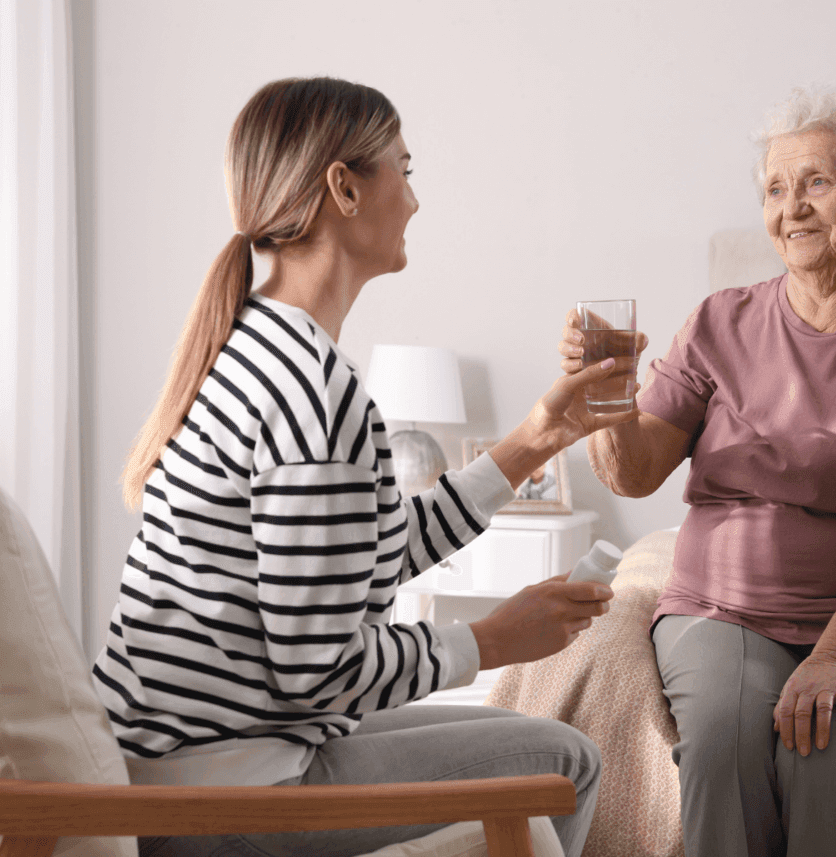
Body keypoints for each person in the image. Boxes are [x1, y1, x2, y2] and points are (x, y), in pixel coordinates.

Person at [93, 77, 635, 857]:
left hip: (188, 764)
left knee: (528, 734)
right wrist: (489, 639)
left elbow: (355, 556)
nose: (414, 201)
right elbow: (319, 672)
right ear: (344, 188)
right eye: (404, 171)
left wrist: (538, 438)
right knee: (567, 760)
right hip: (232, 793)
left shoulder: (251, 347)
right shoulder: (314, 390)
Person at [559, 84, 836, 857]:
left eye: (816, 182)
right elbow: (634, 473)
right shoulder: (719, 319)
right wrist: (605, 399)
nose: (792, 208)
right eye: (775, 189)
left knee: (830, 749)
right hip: (724, 608)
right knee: (723, 743)